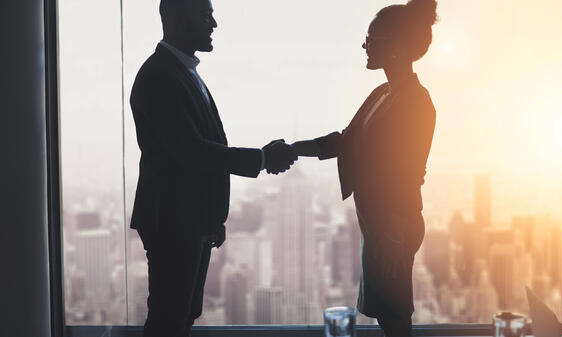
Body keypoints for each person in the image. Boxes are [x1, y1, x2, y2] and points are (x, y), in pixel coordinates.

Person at [129, 0, 297, 336]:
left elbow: (197, 156)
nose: (214, 24)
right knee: (169, 319)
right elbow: (193, 152)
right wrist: (262, 159)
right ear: (177, 17)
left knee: (182, 315)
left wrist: (212, 219)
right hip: (173, 222)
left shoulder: (183, 73)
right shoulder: (160, 77)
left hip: (189, 221)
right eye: (206, 15)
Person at [291, 0, 437, 335]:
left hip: (393, 226)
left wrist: (391, 235)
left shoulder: (416, 102)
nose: (364, 45)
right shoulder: (382, 93)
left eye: (372, 37)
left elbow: (409, 174)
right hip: (381, 225)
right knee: (388, 313)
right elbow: (346, 141)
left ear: (396, 47)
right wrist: (293, 149)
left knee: (394, 315)